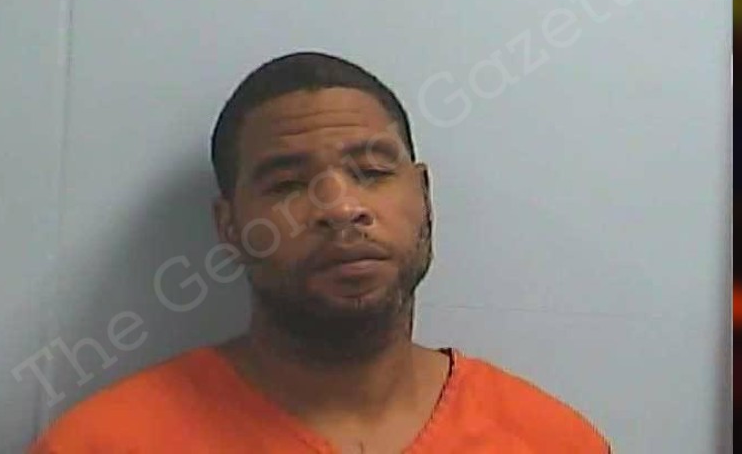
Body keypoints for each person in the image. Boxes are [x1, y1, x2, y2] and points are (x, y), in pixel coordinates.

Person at [31, 52, 610, 453]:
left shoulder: (552, 442)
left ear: (424, 196)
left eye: (372, 172)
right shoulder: (105, 442)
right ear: (229, 226)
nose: (341, 208)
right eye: (286, 184)